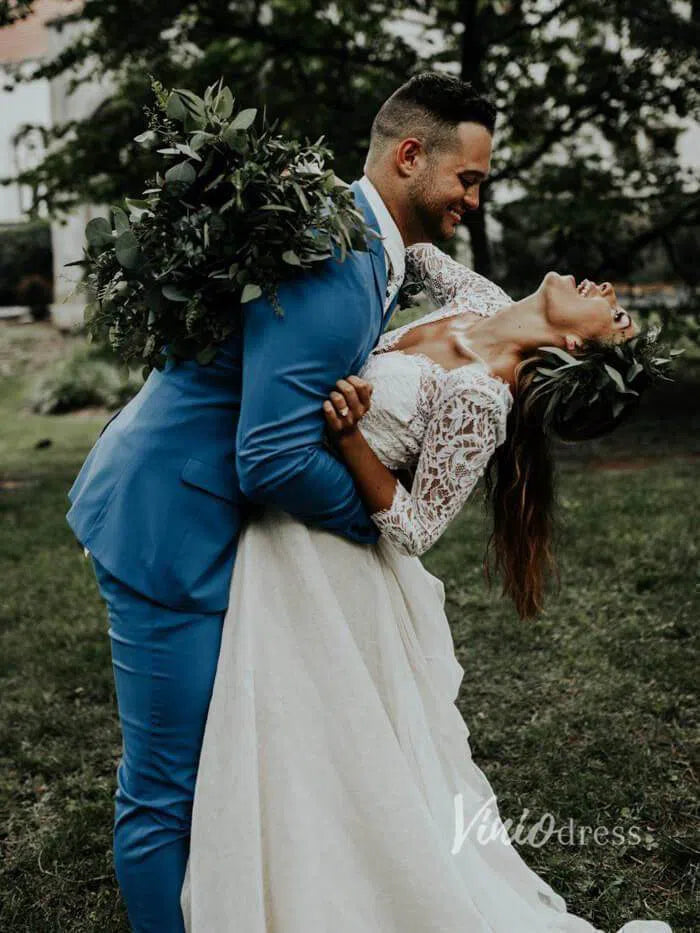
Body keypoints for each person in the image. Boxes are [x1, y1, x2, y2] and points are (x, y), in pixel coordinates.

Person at [65, 72, 496, 932]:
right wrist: (380, 514)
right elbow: (269, 456)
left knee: (218, 767)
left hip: (203, 514)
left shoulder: (364, 243)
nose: (473, 201)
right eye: (469, 179)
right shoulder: (337, 251)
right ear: (411, 156)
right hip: (168, 524)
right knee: (166, 790)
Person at [181, 244, 673, 931]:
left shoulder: (481, 395)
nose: (609, 288)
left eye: (615, 316)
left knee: (306, 740)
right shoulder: (483, 300)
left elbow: (416, 528)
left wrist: (351, 438)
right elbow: (408, 251)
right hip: (278, 511)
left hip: (323, 558)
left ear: (573, 346)